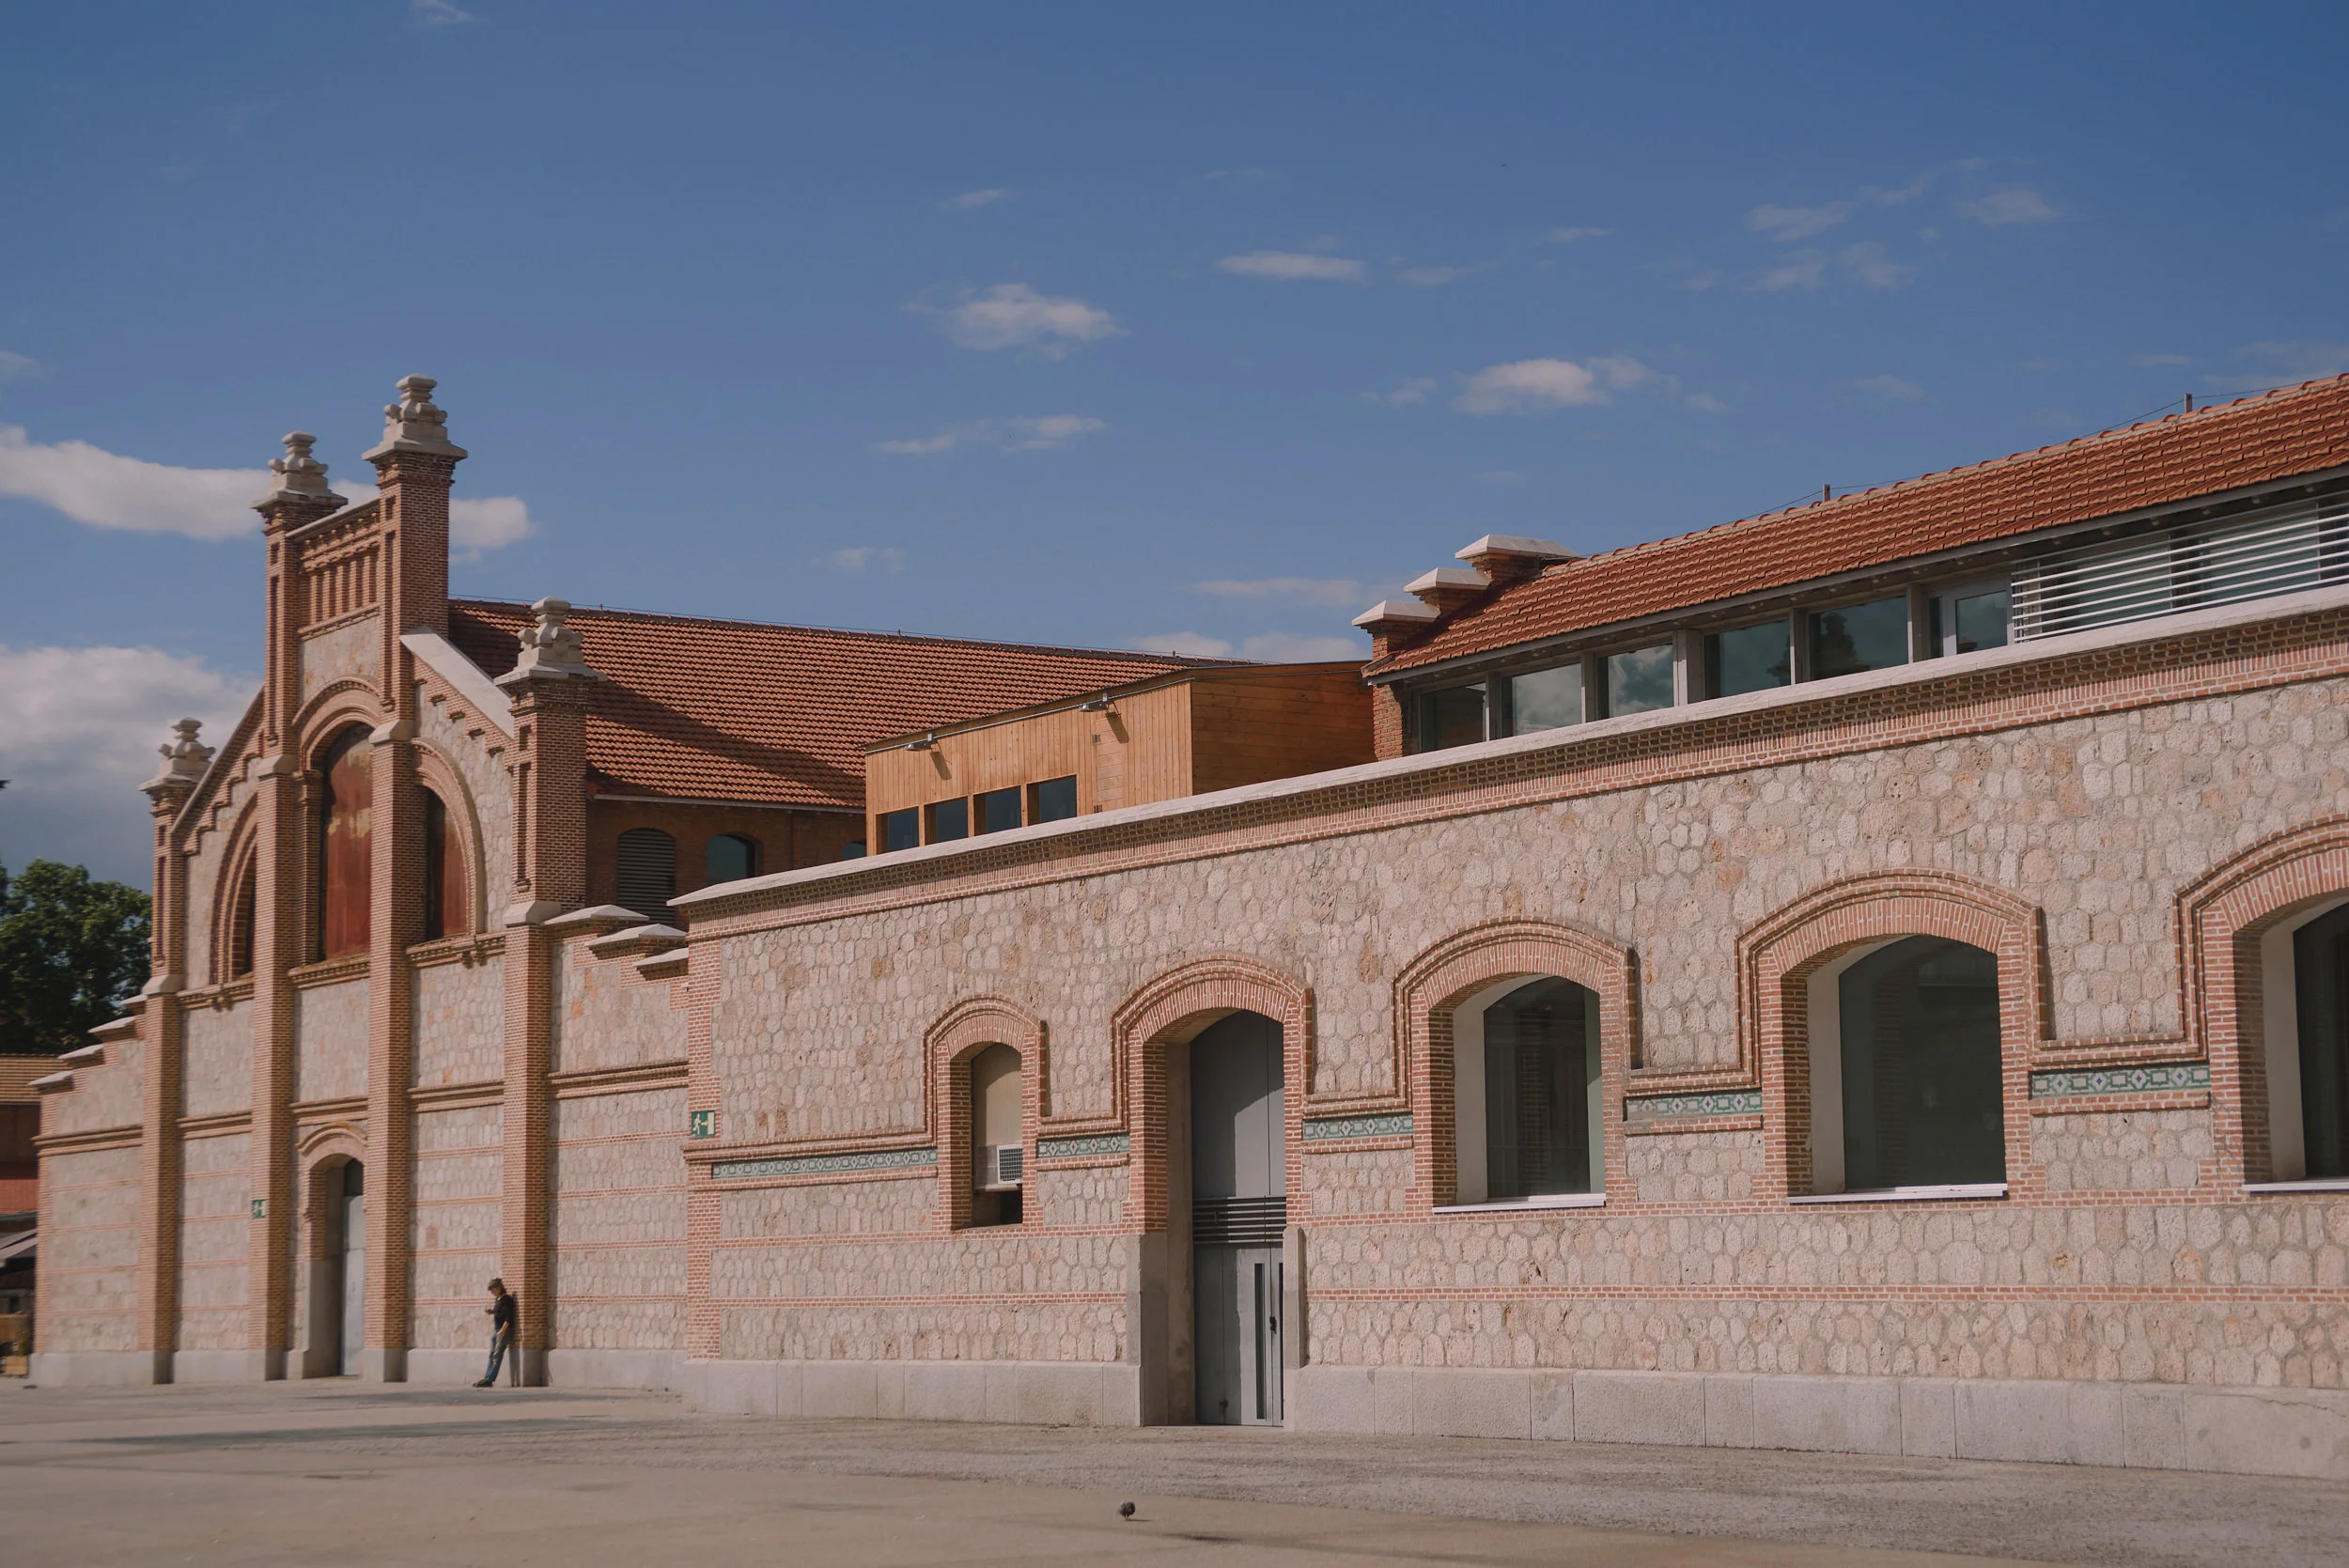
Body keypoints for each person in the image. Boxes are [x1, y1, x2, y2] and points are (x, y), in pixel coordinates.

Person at [474, 1278, 519, 1388]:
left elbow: (509, 1317)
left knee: (497, 1355)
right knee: (491, 1355)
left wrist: (503, 1330)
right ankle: (486, 1377)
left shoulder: (506, 1299)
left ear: (499, 1288)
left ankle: (490, 1379)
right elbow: (500, 1313)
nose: (491, 1292)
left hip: (502, 1331)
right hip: (496, 1330)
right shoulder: (498, 1300)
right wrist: (492, 1312)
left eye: (492, 1289)